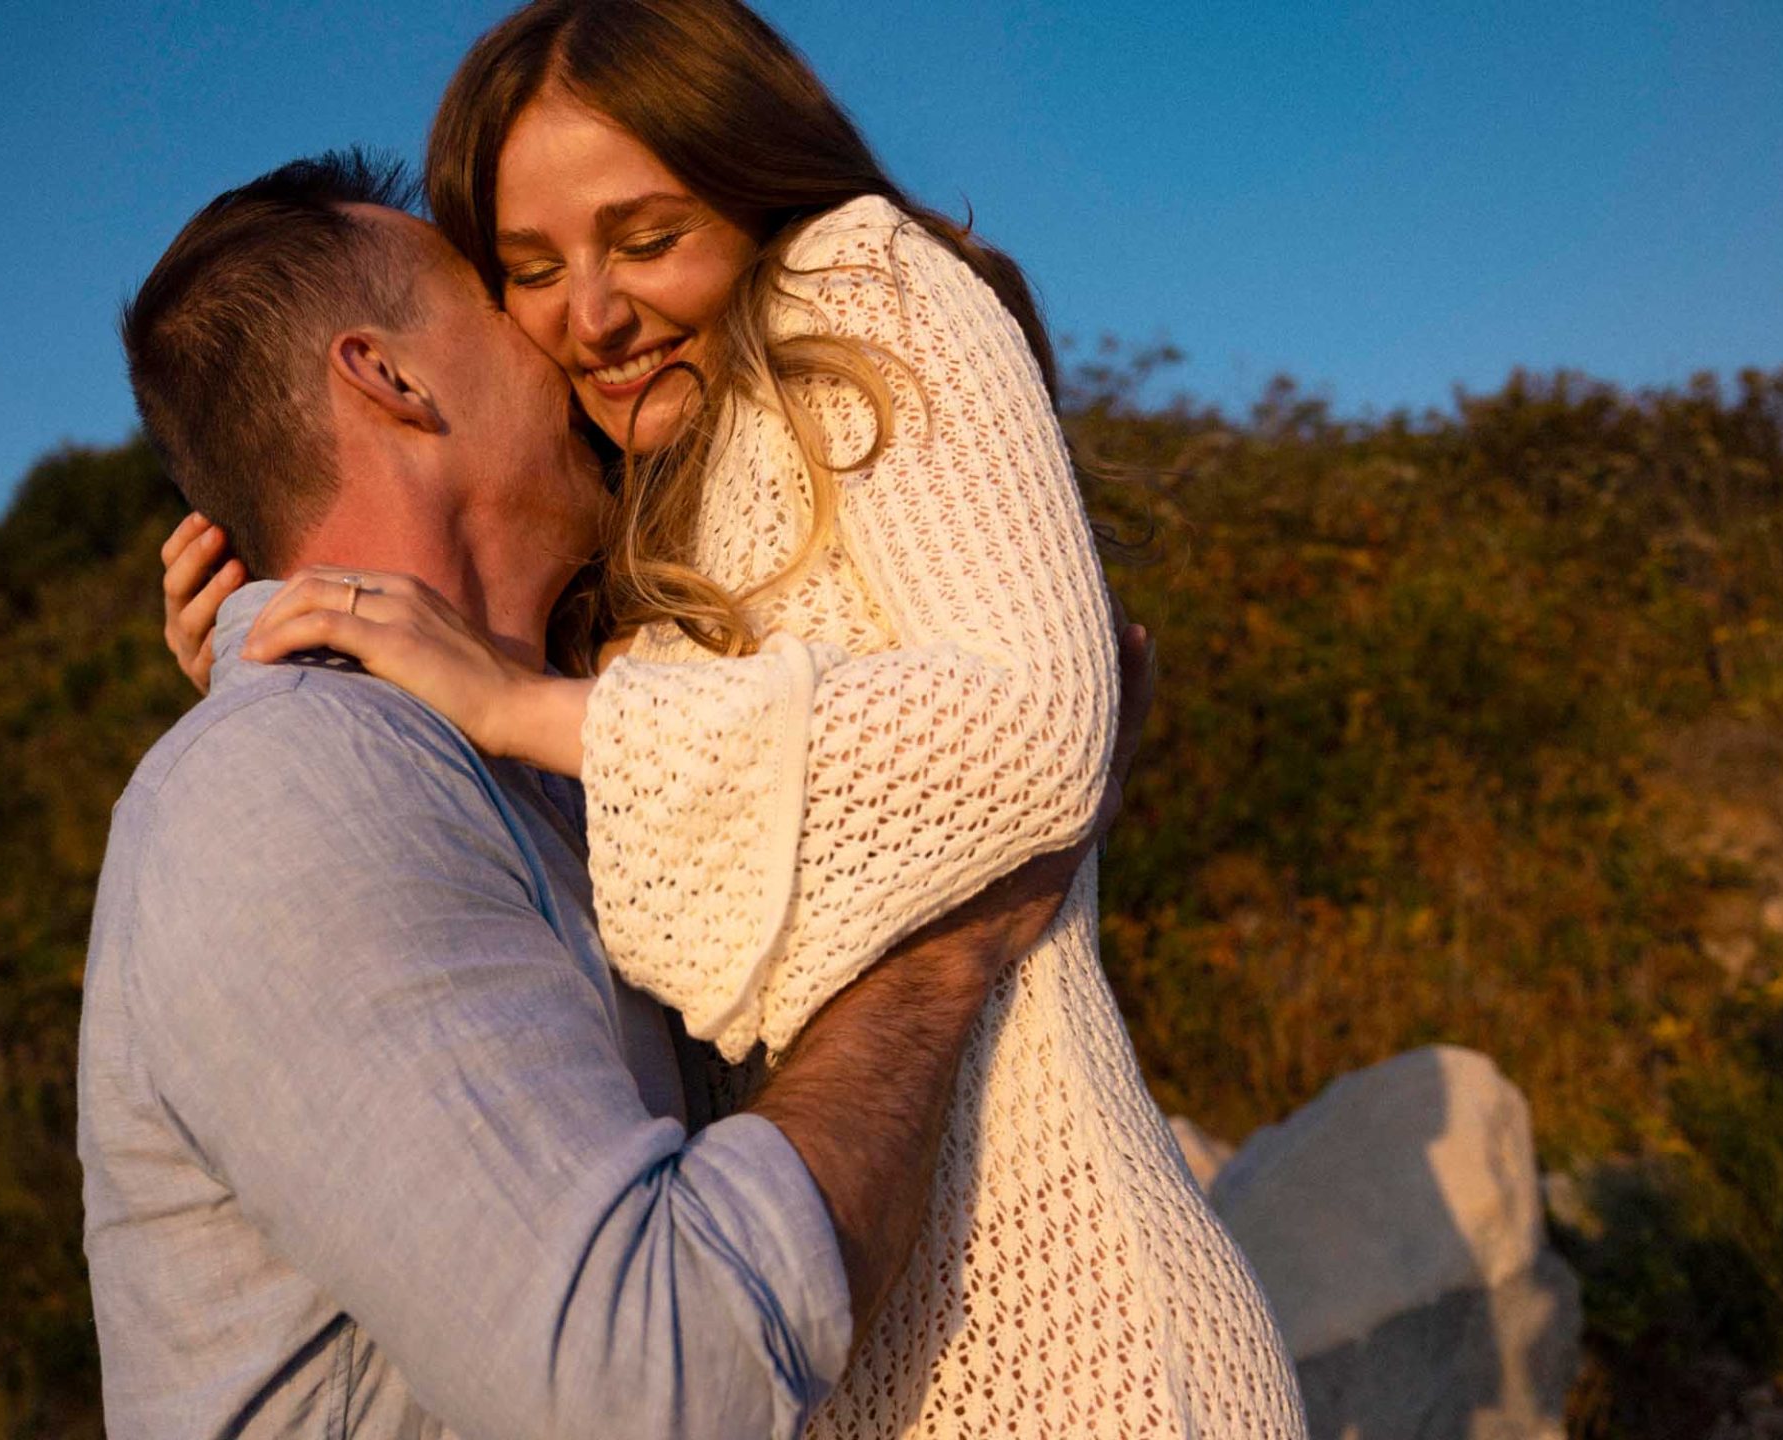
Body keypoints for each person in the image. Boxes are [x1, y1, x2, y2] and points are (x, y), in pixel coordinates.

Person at [166, 2, 1307, 1435]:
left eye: (644, 239)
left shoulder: (857, 288)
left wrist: (525, 706)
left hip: (1067, 1351)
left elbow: (1034, 734)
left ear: (753, 187)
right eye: (528, 272)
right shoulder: (629, 533)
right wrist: (281, 650)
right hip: (822, 1373)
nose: (591, 313)